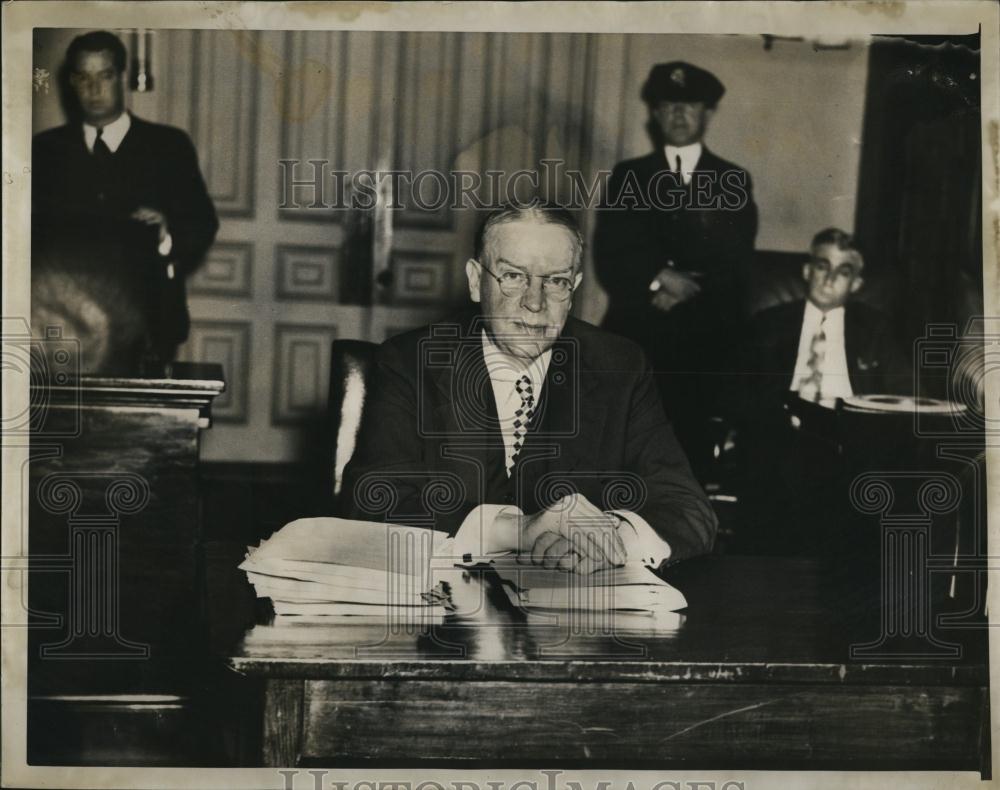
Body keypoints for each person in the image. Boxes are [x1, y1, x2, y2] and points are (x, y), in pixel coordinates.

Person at [343, 204, 717, 572]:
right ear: (476, 281)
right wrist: (517, 531)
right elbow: (371, 506)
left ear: (574, 288)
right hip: (445, 617)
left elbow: (688, 508)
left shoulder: (619, 366)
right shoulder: (411, 363)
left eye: (555, 281)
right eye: (513, 276)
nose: (534, 303)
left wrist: (612, 537)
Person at [594, 61, 758, 480]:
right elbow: (610, 252)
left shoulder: (731, 181)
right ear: (654, 114)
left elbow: (736, 260)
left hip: (707, 332)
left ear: (707, 113)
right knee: (623, 439)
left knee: (692, 444)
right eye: (668, 106)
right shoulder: (629, 177)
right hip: (639, 324)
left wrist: (686, 288)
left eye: (689, 106)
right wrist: (659, 277)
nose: (678, 116)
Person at [32, 30, 218, 363]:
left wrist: (167, 232)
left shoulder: (168, 146)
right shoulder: (44, 151)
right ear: (71, 82)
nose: (93, 89)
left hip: (149, 324)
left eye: (103, 75)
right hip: (60, 327)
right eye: (83, 77)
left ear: (121, 77)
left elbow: (203, 222)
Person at [733, 228, 909, 555]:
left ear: (856, 284)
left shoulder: (876, 329)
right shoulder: (769, 324)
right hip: (784, 433)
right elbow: (741, 394)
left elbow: (906, 395)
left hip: (850, 439)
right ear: (806, 271)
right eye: (822, 266)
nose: (829, 279)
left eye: (843, 272)